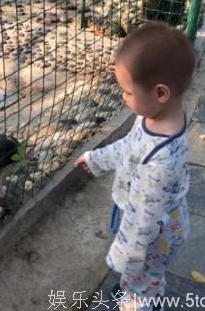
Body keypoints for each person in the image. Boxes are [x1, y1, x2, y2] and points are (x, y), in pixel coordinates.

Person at [74, 22, 194, 311]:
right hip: (144, 213)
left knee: (144, 281)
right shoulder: (154, 117)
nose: (123, 97)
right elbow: (130, 148)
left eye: (127, 92)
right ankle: (133, 283)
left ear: (160, 93)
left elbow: (143, 220)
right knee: (139, 274)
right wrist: (97, 159)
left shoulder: (160, 162)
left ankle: (140, 299)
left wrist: (128, 255)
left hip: (152, 231)